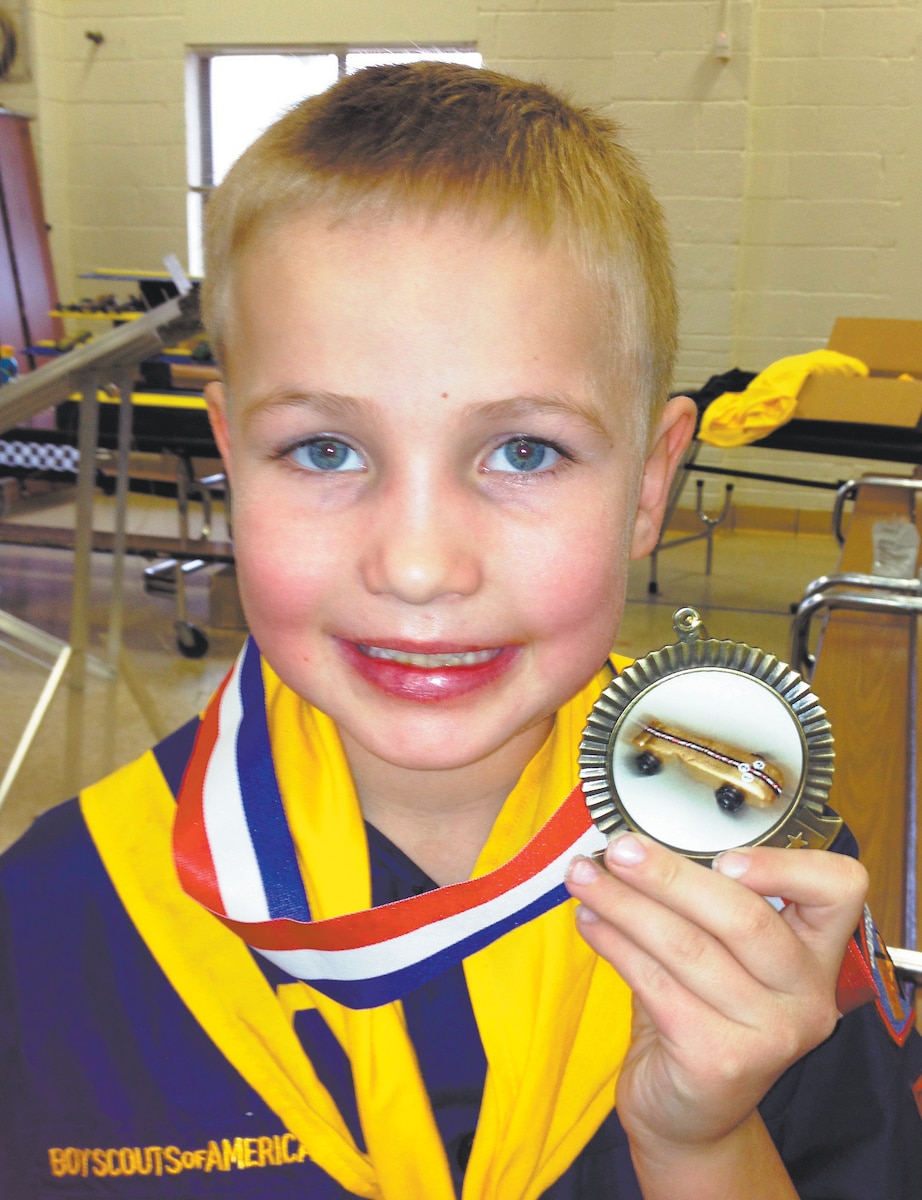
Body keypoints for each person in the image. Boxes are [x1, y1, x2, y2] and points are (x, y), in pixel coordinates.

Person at [1, 62, 920, 1199]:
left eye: (524, 451)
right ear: (229, 460)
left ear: (647, 485)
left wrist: (700, 1143)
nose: (421, 565)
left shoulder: (763, 885)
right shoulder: (54, 917)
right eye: (324, 451)